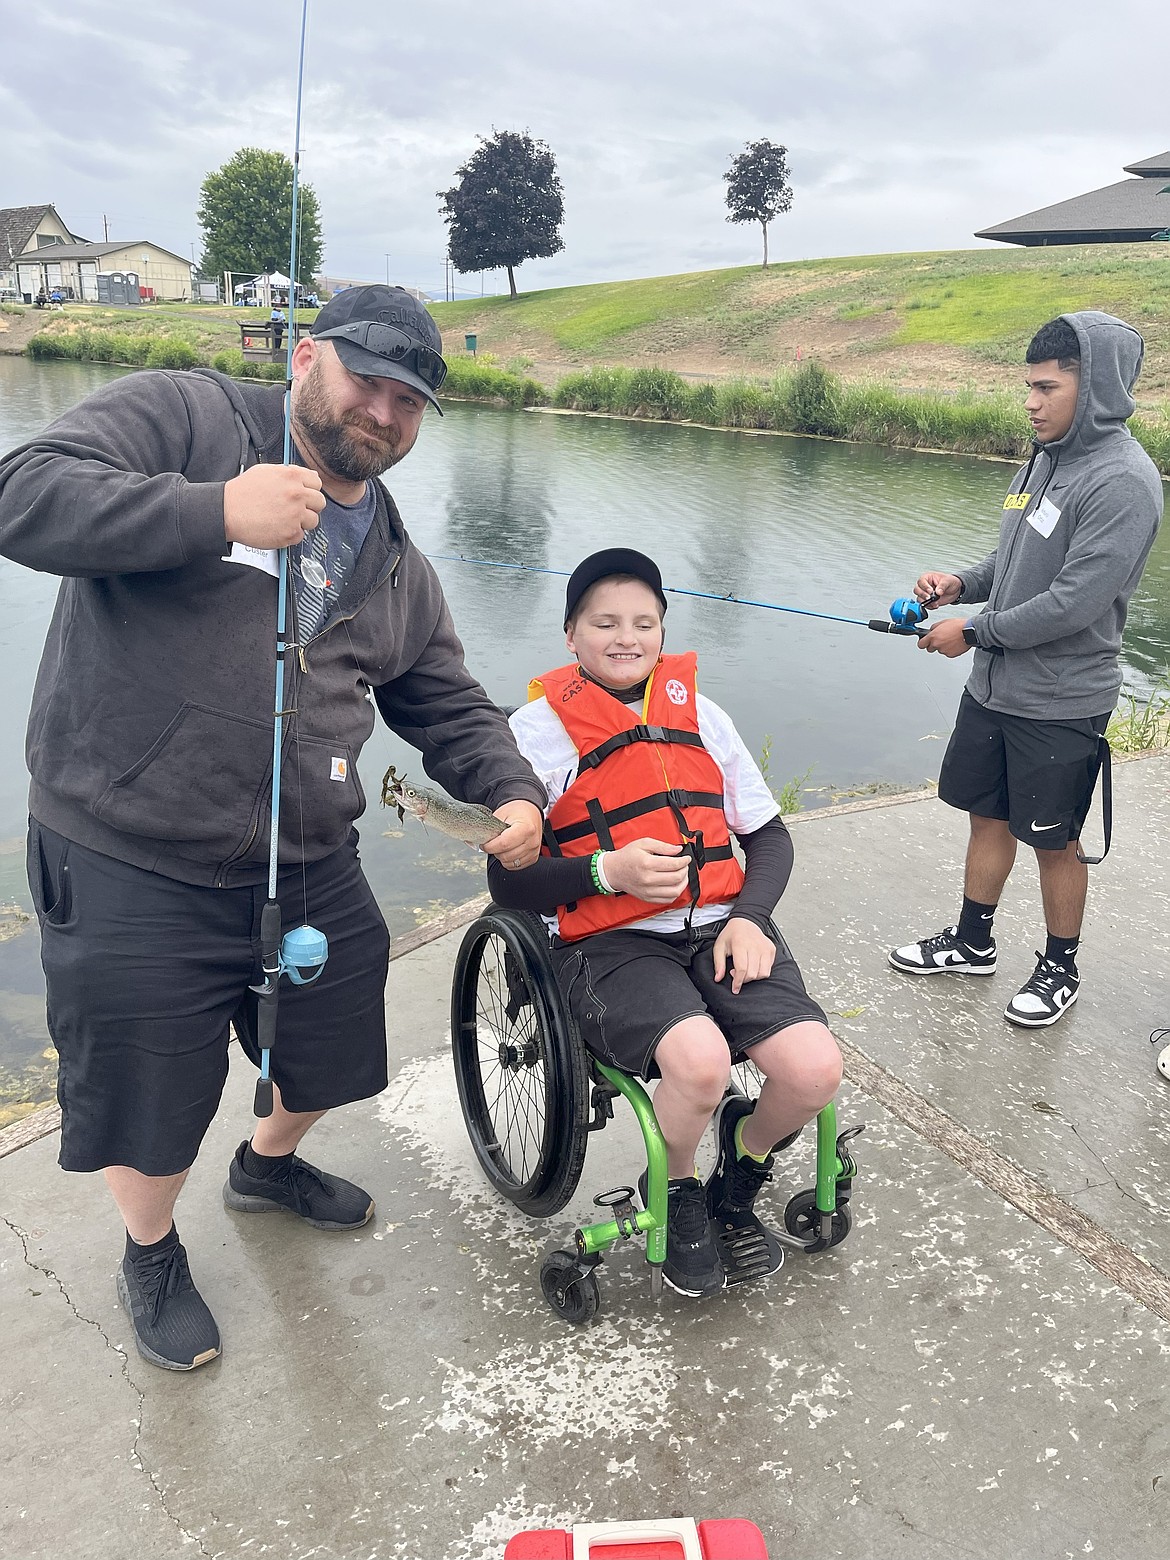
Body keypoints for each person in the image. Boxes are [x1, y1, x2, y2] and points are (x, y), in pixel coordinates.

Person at [0, 284, 546, 1371]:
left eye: (409, 400)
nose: (384, 413)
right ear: (306, 357)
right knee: (147, 1093)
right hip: (127, 852)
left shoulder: (393, 555)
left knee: (333, 1049)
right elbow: (22, 494)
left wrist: (512, 787)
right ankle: (150, 1248)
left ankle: (263, 1166)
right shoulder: (185, 417)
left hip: (306, 860)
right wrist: (213, 513)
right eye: (366, 382)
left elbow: (441, 694)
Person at [488, 549, 842, 1298]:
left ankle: (740, 1168)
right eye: (605, 622)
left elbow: (769, 837)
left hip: (720, 927)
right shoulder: (533, 732)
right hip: (609, 942)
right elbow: (503, 877)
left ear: (662, 631)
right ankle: (676, 1189)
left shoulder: (704, 717)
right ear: (570, 635)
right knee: (702, 1064)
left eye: (644, 622)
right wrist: (603, 871)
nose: (626, 637)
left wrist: (750, 917)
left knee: (815, 1071)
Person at [890, 312, 1162, 1028]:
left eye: (1047, 388)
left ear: (1096, 387)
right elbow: (1011, 562)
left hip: (1061, 699)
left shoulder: (1123, 482)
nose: (1031, 404)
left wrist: (973, 631)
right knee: (988, 816)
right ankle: (973, 942)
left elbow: (1073, 602)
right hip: (995, 689)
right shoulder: (1042, 458)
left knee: (1054, 839)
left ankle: (1058, 967)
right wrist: (960, 585)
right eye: (1027, 388)